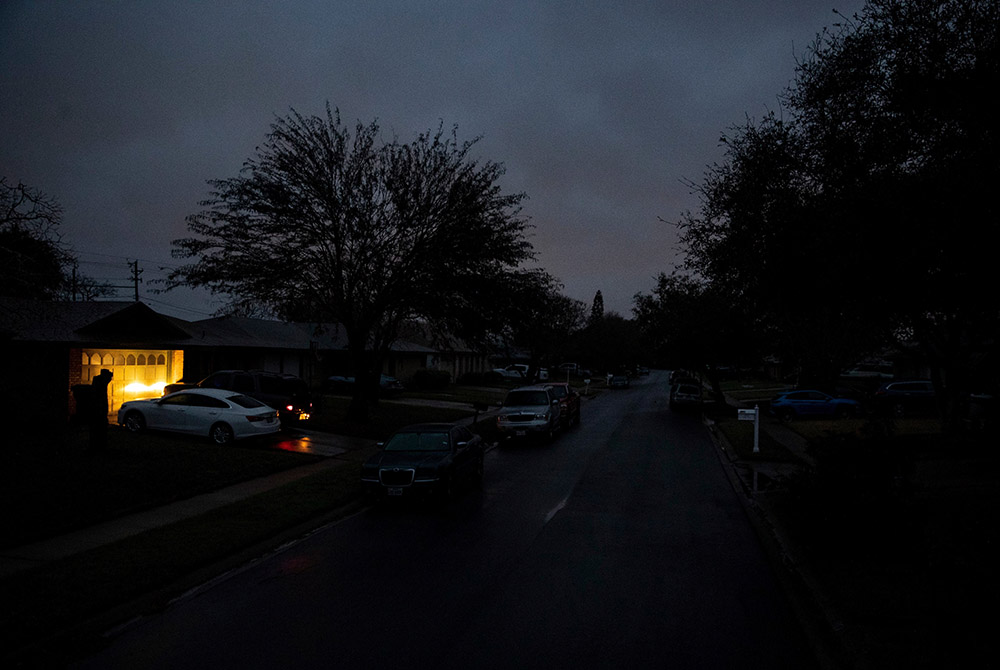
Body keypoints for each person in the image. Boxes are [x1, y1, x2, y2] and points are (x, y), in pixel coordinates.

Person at [90, 368, 113, 452]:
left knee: (97, 428)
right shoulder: (101, 382)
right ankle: (99, 446)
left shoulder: (97, 380)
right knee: (100, 428)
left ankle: (96, 445)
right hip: (100, 408)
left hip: (98, 408)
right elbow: (110, 377)